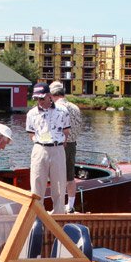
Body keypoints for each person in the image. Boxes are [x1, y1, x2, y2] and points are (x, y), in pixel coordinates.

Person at [26, 82, 69, 214]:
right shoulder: (31, 113)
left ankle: (59, 215)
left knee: (59, 186)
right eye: (36, 98)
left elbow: (66, 132)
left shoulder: (63, 111)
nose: (39, 101)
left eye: (42, 98)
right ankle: (38, 216)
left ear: (49, 96)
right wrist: (38, 142)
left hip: (58, 149)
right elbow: (30, 132)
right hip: (40, 149)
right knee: (37, 183)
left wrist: (59, 143)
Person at [50, 81, 82, 214]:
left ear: (52, 95)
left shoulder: (55, 107)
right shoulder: (75, 107)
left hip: (59, 145)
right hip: (72, 144)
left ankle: (57, 208)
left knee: (57, 178)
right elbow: (79, 127)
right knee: (70, 177)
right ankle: (70, 206)